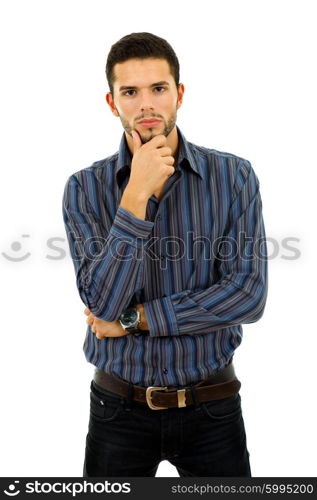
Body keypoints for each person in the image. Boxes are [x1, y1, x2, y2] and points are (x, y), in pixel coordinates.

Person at [62, 32, 268, 477]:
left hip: (213, 407)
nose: (146, 105)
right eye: (130, 92)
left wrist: (136, 321)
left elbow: (247, 296)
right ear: (111, 102)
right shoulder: (84, 188)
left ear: (179, 94)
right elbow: (101, 305)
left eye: (158, 89)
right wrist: (135, 194)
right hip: (117, 410)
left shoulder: (234, 177)